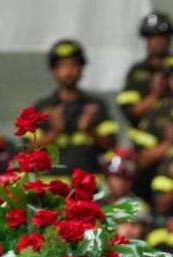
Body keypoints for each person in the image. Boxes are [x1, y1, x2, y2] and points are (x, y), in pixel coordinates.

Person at [32, 39, 118, 174]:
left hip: (88, 185)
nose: (68, 71)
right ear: (54, 71)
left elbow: (112, 145)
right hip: (50, 187)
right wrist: (54, 132)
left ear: (82, 68)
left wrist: (90, 131)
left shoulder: (96, 106)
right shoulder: (42, 107)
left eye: (73, 65)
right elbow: (27, 149)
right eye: (62, 66)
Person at [117, 11, 173, 127]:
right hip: (146, 137)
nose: (157, 42)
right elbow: (130, 114)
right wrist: (156, 94)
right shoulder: (136, 72)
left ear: (169, 39)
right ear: (146, 40)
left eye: (161, 36)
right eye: (152, 37)